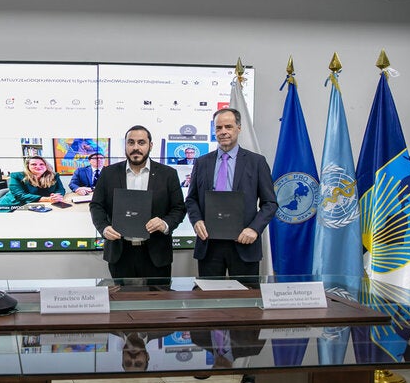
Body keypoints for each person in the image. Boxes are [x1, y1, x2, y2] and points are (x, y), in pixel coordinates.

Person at [185, 108, 277, 278]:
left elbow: (270, 203)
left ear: (239, 128)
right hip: (209, 245)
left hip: (244, 244)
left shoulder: (256, 162)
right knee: (210, 300)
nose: (223, 132)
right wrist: (196, 220)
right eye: (218, 128)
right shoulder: (202, 162)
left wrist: (254, 230)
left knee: (246, 301)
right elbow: (191, 199)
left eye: (228, 126)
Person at [90, 125, 186, 278]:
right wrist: (104, 228)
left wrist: (165, 223)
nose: (136, 147)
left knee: (158, 300)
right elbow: (96, 206)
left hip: (156, 253)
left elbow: (179, 208)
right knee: (122, 300)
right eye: (131, 142)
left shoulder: (168, 174)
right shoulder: (109, 173)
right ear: (125, 145)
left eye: (141, 143)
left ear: (150, 145)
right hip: (120, 253)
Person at [0, 156, 65, 210]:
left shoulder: (54, 176)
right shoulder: (16, 176)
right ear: (28, 166)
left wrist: (56, 195)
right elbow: (20, 195)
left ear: (46, 166)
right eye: (34, 164)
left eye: (41, 164)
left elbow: (61, 189)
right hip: (12, 205)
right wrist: (47, 199)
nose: (38, 166)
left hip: (38, 205)